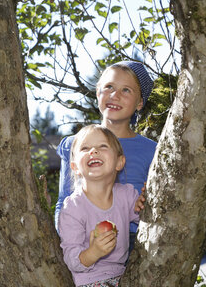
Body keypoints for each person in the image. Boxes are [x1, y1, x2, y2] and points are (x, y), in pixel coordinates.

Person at [55, 61, 156, 252]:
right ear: (97, 92)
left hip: (134, 242)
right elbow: (64, 198)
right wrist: (66, 240)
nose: (115, 95)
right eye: (109, 87)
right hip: (82, 239)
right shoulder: (74, 145)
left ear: (140, 103)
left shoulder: (152, 151)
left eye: (126, 90)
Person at [58, 124, 146, 287]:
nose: (93, 151)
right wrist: (93, 253)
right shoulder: (73, 207)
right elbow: (71, 258)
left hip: (123, 275)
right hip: (90, 280)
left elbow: (145, 220)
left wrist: (144, 203)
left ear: (120, 162)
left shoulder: (126, 195)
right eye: (85, 148)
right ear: (75, 167)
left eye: (102, 146)